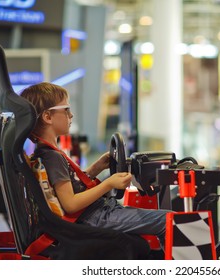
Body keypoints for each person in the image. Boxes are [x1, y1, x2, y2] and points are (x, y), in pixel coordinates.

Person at [20, 82, 170, 245]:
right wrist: (108, 184)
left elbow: (72, 186)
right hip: (95, 217)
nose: (71, 115)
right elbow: (70, 204)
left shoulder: (47, 153)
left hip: (96, 213)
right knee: (169, 221)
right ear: (48, 117)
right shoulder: (52, 157)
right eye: (66, 109)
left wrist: (96, 168)